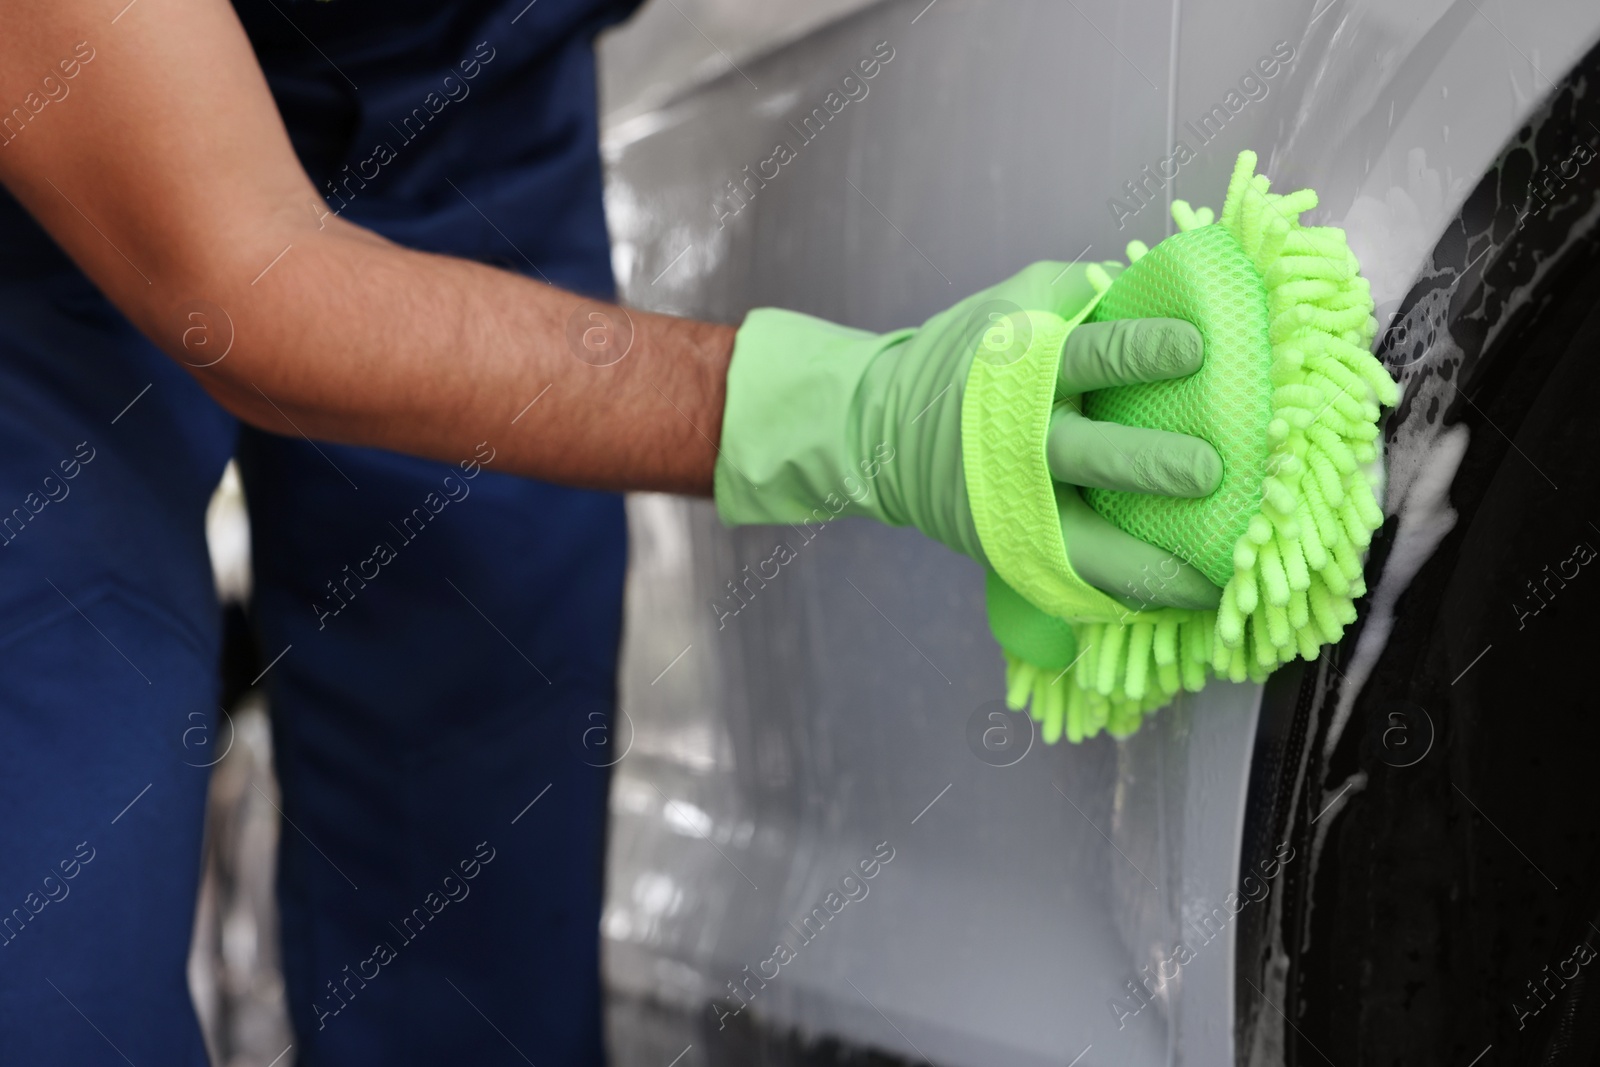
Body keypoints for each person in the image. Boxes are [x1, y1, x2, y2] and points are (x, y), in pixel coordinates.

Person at [0, 0, 1221, 1063]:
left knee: (481, 809)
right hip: (51, 181)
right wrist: (852, 410)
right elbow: (250, 285)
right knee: (48, 904)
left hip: (461, 88)